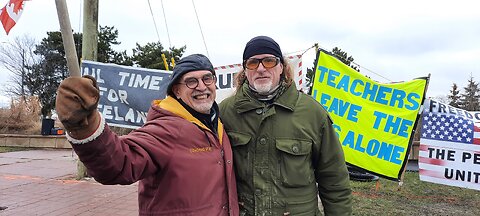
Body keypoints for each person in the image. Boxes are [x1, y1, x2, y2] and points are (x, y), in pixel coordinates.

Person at [55, 54, 239, 216]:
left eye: (207, 78)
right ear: (177, 91)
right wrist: (85, 127)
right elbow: (119, 163)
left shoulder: (218, 124)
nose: (201, 87)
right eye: (191, 81)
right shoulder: (165, 129)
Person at [219, 36, 352, 215]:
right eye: (252, 63)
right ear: (245, 70)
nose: (260, 69)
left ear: (281, 67)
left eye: (269, 61)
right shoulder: (226, 112)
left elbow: (334, 179)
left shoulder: (312, 113)